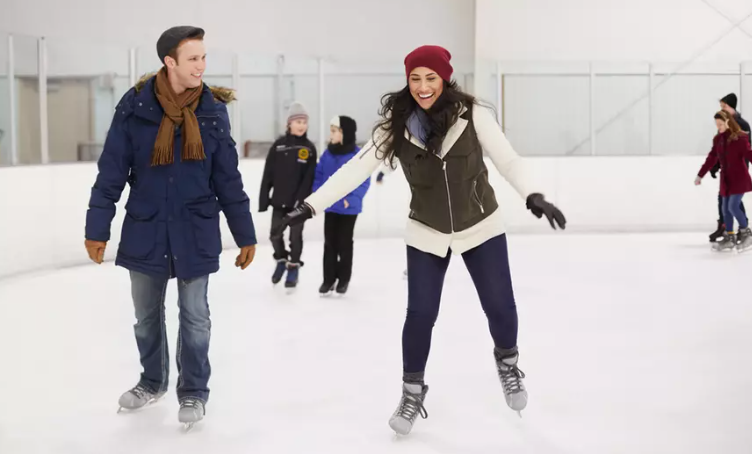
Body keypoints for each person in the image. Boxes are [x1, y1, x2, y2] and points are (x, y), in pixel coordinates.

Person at [272, 45, 566, 435]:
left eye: (431, 78)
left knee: (499, 306)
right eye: (415, 78)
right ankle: (412, 392)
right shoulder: (394, 127)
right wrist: (309, 207)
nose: (423, 87)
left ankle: (508, 364)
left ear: (444, 78)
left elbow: (507, 159)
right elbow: (354, 171)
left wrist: (532, 193)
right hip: (426, 231)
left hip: (481, 224)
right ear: (407, 81)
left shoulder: (473, 114)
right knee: (421, 315)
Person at [83, 26, 257, 428]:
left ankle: (194, 391)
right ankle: (152, 381)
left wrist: (244, 232)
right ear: (170, 62)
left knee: (195, 316)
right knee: (146, 315)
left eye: (204, 57)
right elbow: (111, 171)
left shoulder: (213, 110)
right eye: (193, 58)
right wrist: (98, 227)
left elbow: (226, 178)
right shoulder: (135, 108)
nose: (202, 66)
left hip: (195, 228)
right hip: (146, 227)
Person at [259, 102, 317, 289]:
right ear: (289, 124)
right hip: (278, 202)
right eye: (298, 121)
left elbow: (309, 179)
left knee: (295, 237)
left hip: (298, 205)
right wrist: (263, 199)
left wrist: (302, 202)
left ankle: (294, 266)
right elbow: (268, 173)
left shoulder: (309, 149)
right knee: (274, 234)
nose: (301, 125)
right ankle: (281, 260)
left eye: (304, 122)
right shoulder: (278, 146)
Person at [313, 115, 371, 295]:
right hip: (330, 207)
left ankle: (343, 280)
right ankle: (328, 279)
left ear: (344, 133)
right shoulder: (328, 154)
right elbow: (318, 176)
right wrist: (319, 197)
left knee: (344, 243)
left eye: (334, 131)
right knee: (330, 243)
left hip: (348, 209)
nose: (331, 135)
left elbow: (363, 181)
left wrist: (350, 200)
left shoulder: (357, 155)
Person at [696, 110, 752, 252]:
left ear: (728, 121)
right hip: (725, 180)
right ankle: (729, 238)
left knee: (733, 206)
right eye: (717, 124)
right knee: (725, 209)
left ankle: (746, 234)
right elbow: (711, 158)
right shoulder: (718, 140)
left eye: (720, 124)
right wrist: (700, 175)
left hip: (739, 179)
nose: (718, 127)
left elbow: (749, 154)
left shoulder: (740, 138)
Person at [708, 93, 751, 242]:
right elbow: (721, 148)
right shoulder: (723, 122)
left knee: (734, 202)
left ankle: (743, 229)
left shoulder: (743, 125)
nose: (722, 109)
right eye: (721, 106)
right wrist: (715, 166)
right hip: (726, 170)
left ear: (732, 107)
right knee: (723, 199)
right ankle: (726, 227)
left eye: (725, 106)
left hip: (738, 170)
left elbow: (746, 150)